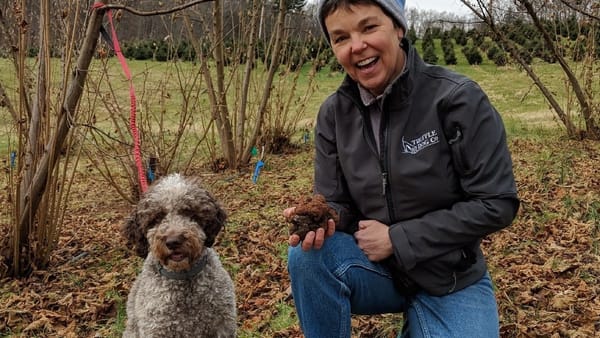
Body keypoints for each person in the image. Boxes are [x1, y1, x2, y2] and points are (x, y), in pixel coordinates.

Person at [283, 0, 520, 337]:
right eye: (340, 38)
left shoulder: (457, 99)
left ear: (398, 27)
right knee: (307, 255)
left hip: (450, 277)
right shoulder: (334, 115)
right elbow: (337, 201)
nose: (357, 46)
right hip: (377, 270)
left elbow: (496, 203)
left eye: (368, 27)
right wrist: (324, 217)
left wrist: (398, 238)